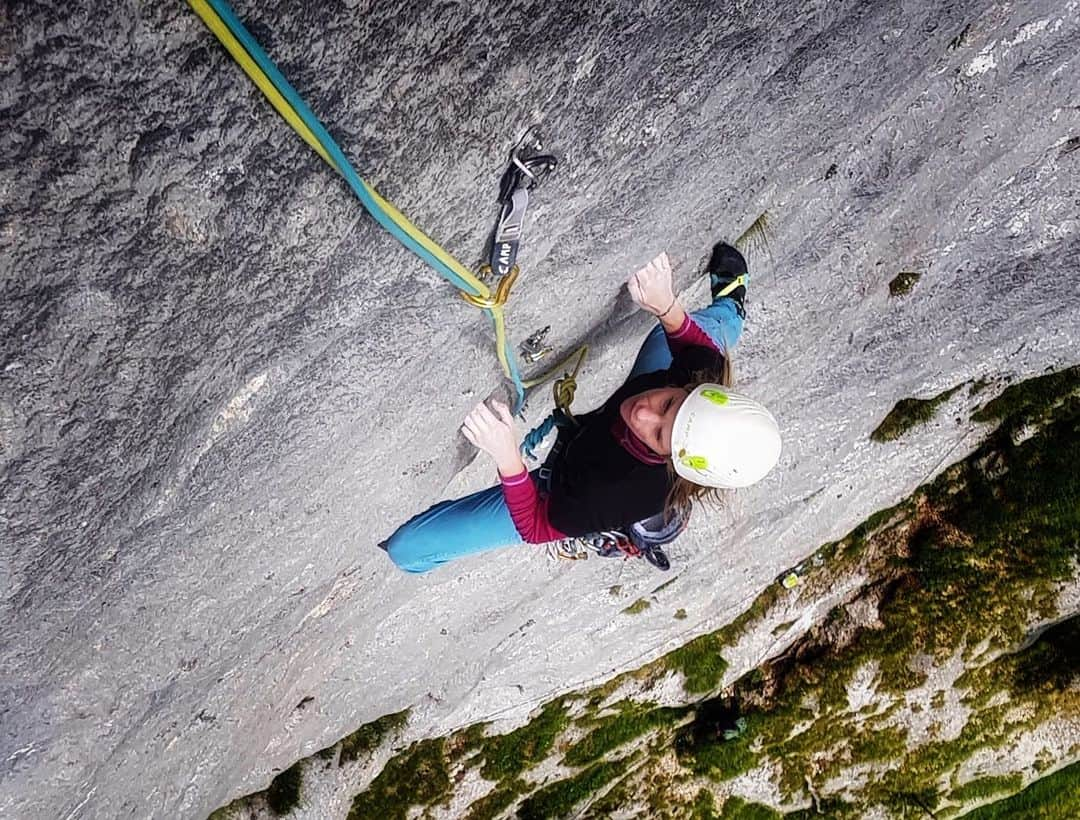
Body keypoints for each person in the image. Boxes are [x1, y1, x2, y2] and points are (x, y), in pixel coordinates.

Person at [381, 243, 781, 573]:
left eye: (659, 433)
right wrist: (665, 305)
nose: (643, 412)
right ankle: (732, 307)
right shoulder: (701, 381)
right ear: (692, 392)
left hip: (559, 487)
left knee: (408, 548)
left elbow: (537, 525)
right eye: (668, 403)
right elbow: (696, 349)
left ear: (673, 461)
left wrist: (506, 456)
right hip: (626, 418)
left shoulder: (625, 494)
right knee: (706, 334)